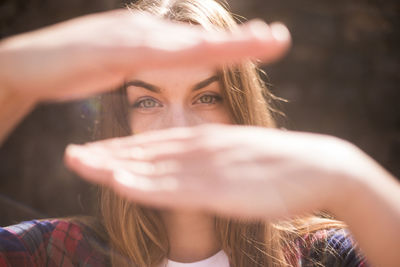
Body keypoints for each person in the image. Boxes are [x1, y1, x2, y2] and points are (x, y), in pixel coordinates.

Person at [0, 0, 399, 266]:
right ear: (120, 122)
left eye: (207, 97)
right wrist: (10, 74)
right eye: (147, 101)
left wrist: (351, 179)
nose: (179, 128)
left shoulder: (322, 255)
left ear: (241, 109)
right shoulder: (59, 252)